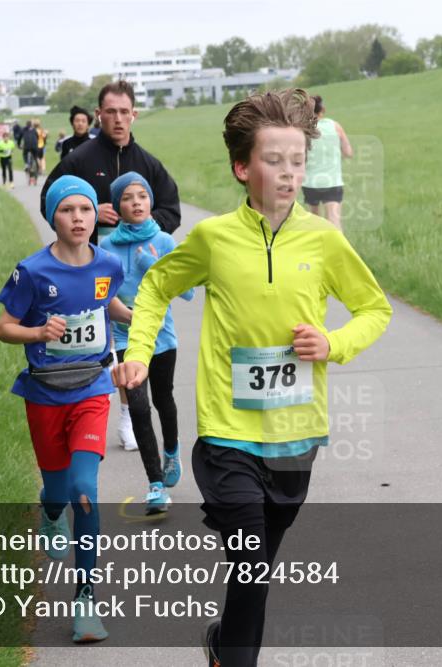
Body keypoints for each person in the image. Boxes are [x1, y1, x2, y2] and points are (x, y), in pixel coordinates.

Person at [116, 88, 392, 667]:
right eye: (275, 161)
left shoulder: (323, 239)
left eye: (297, 161)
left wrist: (333, 343)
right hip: (228, 432)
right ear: (243, 168)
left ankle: (223, 645)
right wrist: (139, 353)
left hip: (296, 432)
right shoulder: (214, 239)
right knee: (250, 556)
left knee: (257, 569)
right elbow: (156, 288)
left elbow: (375, 310)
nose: (290, 174)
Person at [0, 175, 132, 644]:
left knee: (83, 488)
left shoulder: (108, 263)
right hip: (45, 394)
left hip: (93, 388)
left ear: (97, 215)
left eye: (86, 210)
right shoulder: (32, 272)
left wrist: (143, 316)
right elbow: (3, 327)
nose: (78, 218)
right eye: (68, 210)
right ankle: (49, 513)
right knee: (56, 490)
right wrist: (38, 334)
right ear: (52, 216)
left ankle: (86, 601)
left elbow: (106, 302)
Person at [101, 172, 193, 512]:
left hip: (161, 336)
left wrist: (153, 265)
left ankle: (171, 452)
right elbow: (101, 291)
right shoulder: (106, 247)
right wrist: (117, 311)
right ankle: (155, 484)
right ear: (117, 205)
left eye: (142, 196)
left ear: (151, 201)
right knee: (137, 405)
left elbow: (187, 292)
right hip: (126, 335)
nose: (136, 202)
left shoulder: (165, 241)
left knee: (163, 398)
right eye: (128, 197)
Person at [41, 80, 182, 245]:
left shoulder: (150, 165)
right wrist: (90, 214)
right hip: (88, 262)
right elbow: (48, 202)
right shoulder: (77, 161)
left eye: (124, 112)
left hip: (140, 263)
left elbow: (171, 211)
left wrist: (147, 220)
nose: (118, 119)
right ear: (98, 115)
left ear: (133, 115)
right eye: (111, 112)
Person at [302, 95, 353, 231]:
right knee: (334, 221)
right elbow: (348, 152)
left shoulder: (303, 130)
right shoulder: (335, 126)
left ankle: (317, 250)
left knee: (314, 222)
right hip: (332, 182)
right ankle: (338, 251)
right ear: (322, 109)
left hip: (310, 183)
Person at [21, 121, 40, 185]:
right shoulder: (34, 130)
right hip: (35, 147)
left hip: (26, 147)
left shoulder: (23, 129)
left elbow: (19, 137)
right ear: (31, 125)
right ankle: (38, 168)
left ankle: (26, 164)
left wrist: (18, 144)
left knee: (24, 154)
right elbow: (37, 137)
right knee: (36, 157)